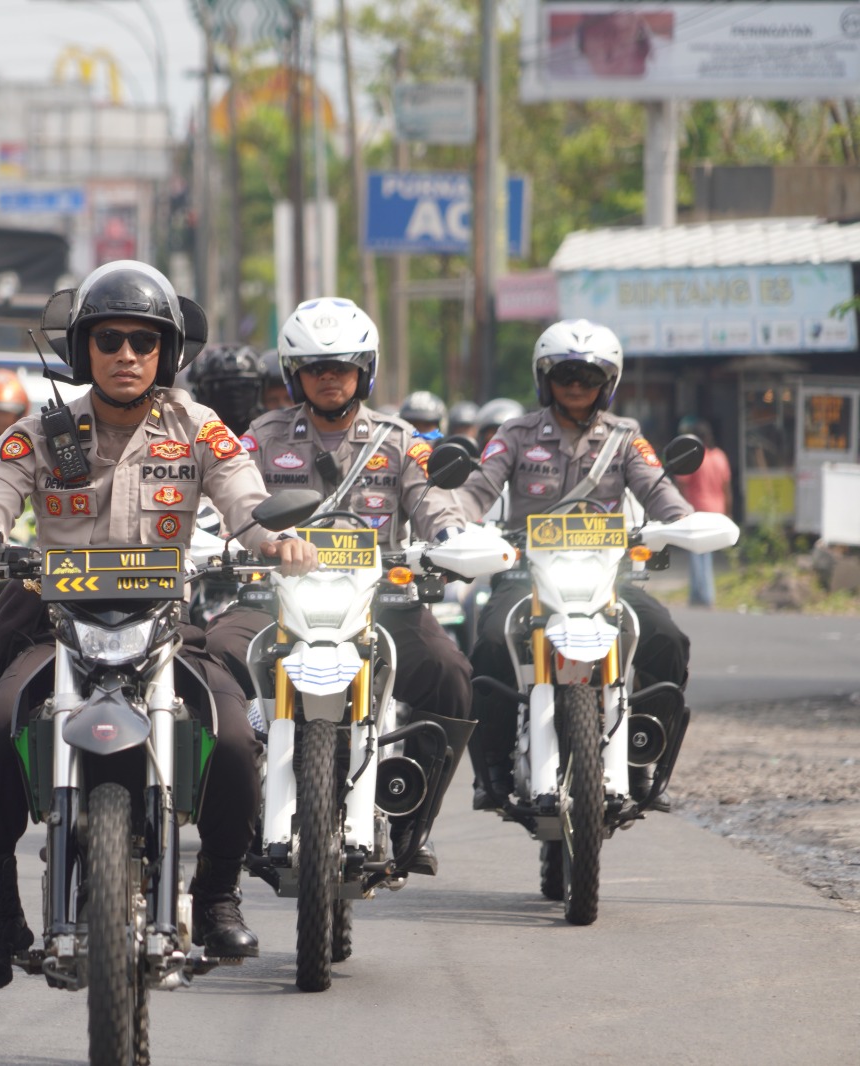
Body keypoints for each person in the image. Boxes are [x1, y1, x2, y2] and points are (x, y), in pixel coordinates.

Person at [0, 260, 314, 992]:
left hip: (167, 625)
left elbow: (247, 503)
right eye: (110, 340)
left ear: (167, 351)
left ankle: (218, 895)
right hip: (57, 624)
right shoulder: (38, 432)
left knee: (235, 735)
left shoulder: (200, 429)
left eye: (144, 340)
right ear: (85, 350)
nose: (128, 355)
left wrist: (274, 543)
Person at [238, 297, 477, 874]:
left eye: (341, 367)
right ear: (295, 373)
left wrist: (449, 537)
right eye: (316, 368)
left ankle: (412, 820)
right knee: (211, 666)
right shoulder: (261, 436)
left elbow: (433, 500)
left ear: (363, 371)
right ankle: (235, 817)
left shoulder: (398, 439)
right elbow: (231, 493)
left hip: (379, 604)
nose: (328, 378)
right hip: (274, 600)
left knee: (451, 673)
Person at [457, 319, 693, 812]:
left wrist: (685, 522)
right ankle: (493, 767)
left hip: (608, 576)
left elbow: (658, 489)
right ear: (546, 378)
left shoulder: (626, 438)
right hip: (526, 575)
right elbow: (476, 491)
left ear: (609, 383)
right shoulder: (515, 434)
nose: (577, 386)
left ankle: (642, 755)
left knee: (666, 638)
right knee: (487, 642)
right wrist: (454, 525)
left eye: (589, 377)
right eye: (566, 375)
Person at [674, 415, 732, 608]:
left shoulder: (694, 458)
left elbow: (682, 483)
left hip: (697, 509)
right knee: (706, 553)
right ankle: (699, 594)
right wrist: (728, 511)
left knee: (697, 553)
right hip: (717, 509)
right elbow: (726, 487)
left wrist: (680, 507)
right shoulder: (720, 457)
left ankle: (704, 594)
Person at [186, 343, 265, 436]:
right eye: (222, 388)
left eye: (243, 386)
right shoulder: (187, 435)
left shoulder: (268, 434)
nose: (233, 396)